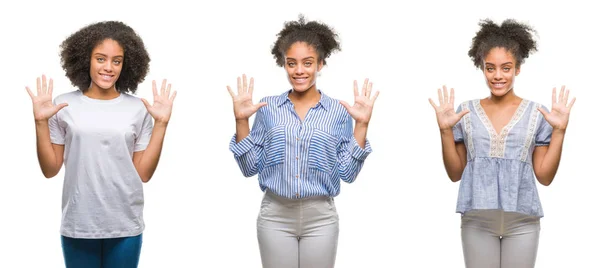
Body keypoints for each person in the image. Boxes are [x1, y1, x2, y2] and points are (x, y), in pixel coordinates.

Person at [227, 15, 379, 268]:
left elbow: (348, 174)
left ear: (320, 64)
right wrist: (241, 121)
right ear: (283, 64)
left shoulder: (339, 112)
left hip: (321, 217)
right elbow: (248, 168)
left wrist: (362, 125)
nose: (299, 71)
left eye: (307, 63)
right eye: (291, 63)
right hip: (275, 215)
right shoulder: (268, 108)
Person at [25, 21, 176, 268]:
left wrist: (161, 124)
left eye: (116, 61)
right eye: (101, 59)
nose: (109, 67)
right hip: (79, 223)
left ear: (126, 65)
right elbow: (50, 169)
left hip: (125, 223)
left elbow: (143, 173)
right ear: (86, 59)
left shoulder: (138, 108)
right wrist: (40, 122)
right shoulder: (63, 105)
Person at [428, 19, 575, 268]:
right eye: (490, 68)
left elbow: (545, 176)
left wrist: (559, 131)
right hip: (477, 220)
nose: (497, 75)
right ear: (482, 67)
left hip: (523, 221)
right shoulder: (466, 112)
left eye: (506, 68)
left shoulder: (536, 113)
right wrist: (444, 131)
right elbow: (455, 173)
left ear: (517, 68)